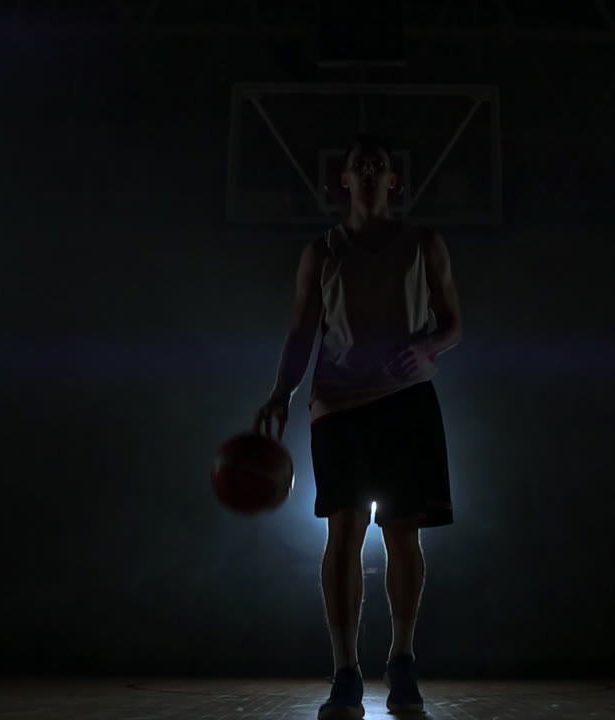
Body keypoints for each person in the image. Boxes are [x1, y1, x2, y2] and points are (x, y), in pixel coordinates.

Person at [253, 134, 463, 719]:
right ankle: (345, 669)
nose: (368, 171)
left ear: (393, 180)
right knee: (342, 533)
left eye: (379, 165)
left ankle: (402, 659)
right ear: (342, 181)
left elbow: (453, 325)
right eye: (358, 165)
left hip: (406, 401)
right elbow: (301, 331)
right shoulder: (323, 251)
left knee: (402, 534)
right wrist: (281, 393)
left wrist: (430, 345)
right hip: (339, 404)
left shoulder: (424, 243)